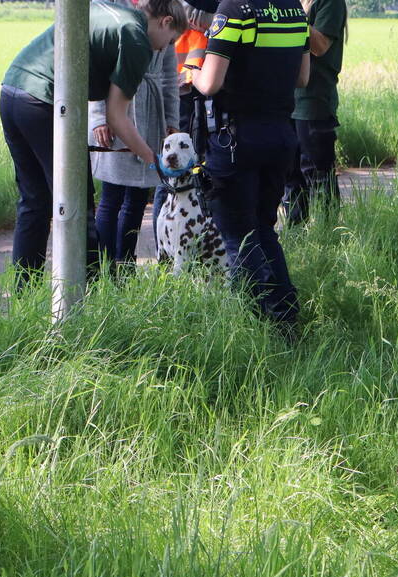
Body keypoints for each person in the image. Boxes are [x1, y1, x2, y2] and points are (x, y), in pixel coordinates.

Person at [0, 0, 187, 288]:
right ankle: (89, 294)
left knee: (34, 201)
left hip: (13, 88)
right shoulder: (136, 39)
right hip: (44, 101)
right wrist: (154, 161)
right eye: (170, 40)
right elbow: (117, 117)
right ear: (165, 22)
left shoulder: (117, 12)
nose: (163, 50)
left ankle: (24, 293)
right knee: (77, 201)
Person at [191, 0, 310, 331]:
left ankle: (266, 324)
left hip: (236, 140)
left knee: (239, 235)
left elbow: (211, 83)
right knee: (263, 228)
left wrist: (193, 70)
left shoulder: (234, 10)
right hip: (281, 137)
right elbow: (302, 77)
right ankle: (287, 314)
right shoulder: (294, 11)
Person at [89, 1, 180, 268]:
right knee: (112, 196)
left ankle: (126, 264)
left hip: (152, 113)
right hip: (116, 110)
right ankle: (104, 269)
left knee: (139, 197)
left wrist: (171, 120)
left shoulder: (165, 15)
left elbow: (168, 77)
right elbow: (96, 66)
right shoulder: (115, 10)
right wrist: (98, 118)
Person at [150, 0, 218, 239]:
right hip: (183, 85)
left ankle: (194, 239)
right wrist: (221, 20)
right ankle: (166, 250)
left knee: (194, 163)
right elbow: (192, 15)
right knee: (174, 167)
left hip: (197, 84)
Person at [282, 0, 347, 225]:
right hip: (285, 99)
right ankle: (295, 232)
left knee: (318, 174)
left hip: (313, 101)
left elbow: (319, 46)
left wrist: (288, 14)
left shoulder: (330, 2)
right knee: (290, 175)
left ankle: (328, 232)